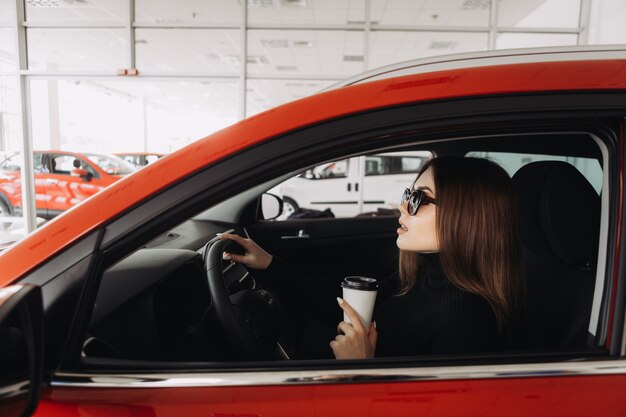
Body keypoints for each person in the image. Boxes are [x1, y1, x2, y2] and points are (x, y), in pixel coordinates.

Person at [220, 156, 524, 360]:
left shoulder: (463, 314)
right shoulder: (419, 273)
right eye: (408, 194)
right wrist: (270, 263)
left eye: (419, 199)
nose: (403, 207)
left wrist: (360, 369)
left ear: (466, 216)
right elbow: (347, 307)